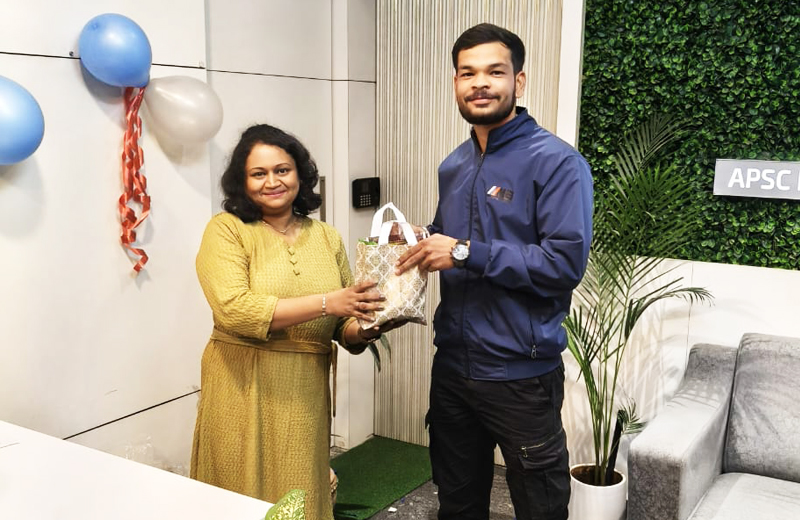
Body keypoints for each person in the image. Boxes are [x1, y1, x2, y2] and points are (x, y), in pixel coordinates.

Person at [396, 23, 593, 520]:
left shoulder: (557, 163)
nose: (479, 83)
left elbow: (563, 264)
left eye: (494, 72)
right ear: (456, 83)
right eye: (468, 73)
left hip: (520, 375)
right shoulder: (454, 165)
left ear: (518, 81)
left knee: (540, 508)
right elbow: (451, 235)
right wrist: (422, 237)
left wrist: (464, 252)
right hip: (452, 366)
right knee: (456, 503)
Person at [191, 124, 397, 520]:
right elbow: (234, 308)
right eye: (258, 173)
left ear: (300, 174)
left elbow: (343, 326)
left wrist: (370, 327)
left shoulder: (327, 237)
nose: (272, 182)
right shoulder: (227, 230)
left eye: (282, 170)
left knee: (299, 486)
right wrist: (328, 302)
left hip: (304, 390)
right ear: (242, 181)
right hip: (241, 383)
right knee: (239, 487)